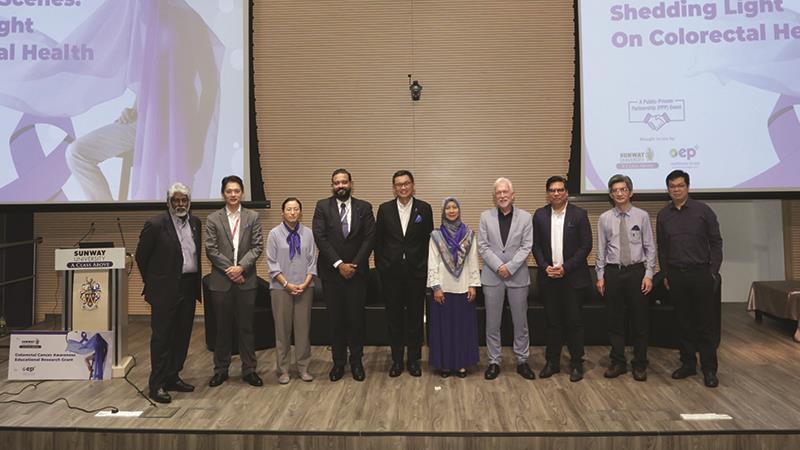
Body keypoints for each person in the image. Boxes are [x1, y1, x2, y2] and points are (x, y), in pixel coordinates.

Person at [135, 182, 201, 403]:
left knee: (182, 335)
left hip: (189, 286)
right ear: (168, 202)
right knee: (162, 337)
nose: (180, 204)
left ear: (189, 202)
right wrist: (155, 283)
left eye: (184, 200)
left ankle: (173, 376)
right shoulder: (155, 225)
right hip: (165, 290)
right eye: (176, 200)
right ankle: (157, 384)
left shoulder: (195, 223)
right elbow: (141, 257)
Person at [657, 170, 723, 388]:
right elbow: (663, 248)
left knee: (705, 323)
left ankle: (709, 369)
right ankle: (687, 364)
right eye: (672, 186)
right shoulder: (663, 215)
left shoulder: (703, 211)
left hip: (700, 274)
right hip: (676, 275)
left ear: (688, 187)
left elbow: (716, 242)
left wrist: (712, 272)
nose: (676, 189)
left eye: (680, 185)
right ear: (668, 189)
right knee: (682, 322)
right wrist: (666, 273)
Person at [312, 169, 375, 382]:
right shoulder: (322, 207)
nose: (341, 186)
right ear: (332, 185)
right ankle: (338, 363)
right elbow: (320, 237)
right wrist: (339, 264)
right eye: (337, 183)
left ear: (351, 184)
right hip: (332, 274)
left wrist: (354, 264)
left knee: (356, 320)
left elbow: (369, 238)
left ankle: (356, 362)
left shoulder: (364, 207)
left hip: (357, 274)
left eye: (344, 182)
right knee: (336, 320)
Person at [595, 174, 656, 382]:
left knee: (640, 320)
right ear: (611, 195)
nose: (619, 193)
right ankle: (618, 361)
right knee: (615, 321)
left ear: (630, 192)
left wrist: (649, 275)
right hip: (613, 272)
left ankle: (640, 363)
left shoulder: (642, 216)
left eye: (623, 189)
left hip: (636, 272)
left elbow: (650, 247)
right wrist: (600, 276)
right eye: (615, 190)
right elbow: (601, 250)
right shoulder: (604, 218)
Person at [205, 175, 264, 388]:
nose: (233, 195)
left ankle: (249, 370)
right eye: (229, 191)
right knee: (222, 328)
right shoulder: (213, 219)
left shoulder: (253, 217)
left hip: (246, 280)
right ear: (223, 194)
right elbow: (211, 248)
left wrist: (241, 268)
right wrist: (230, 270)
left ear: (242, 193)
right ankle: (221, 370)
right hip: (221, 281)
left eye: (236, 191)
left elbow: (257, 246)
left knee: (246, 328)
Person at [532, 176, 592, 382]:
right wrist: (545, 267)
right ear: (547, 193)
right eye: (552, 190)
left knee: (574, 322)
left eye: (560, 190)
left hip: (572, 278)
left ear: (566, 192)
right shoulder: (539, 215)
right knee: (553, 323)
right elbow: (536, 246)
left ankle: (576, 363)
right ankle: (552, 362)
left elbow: (586, 246)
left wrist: (565, 268)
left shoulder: (580, 214)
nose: (556, 193)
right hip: (549, 278)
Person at [374, 170, 434, 377]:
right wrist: (382, 267)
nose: (403, 187)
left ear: (413, 185)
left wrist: (425, 266)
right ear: (394, 188)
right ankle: (397, 360)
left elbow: (429, 242)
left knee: (416, 318)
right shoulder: (384, 209)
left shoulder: (424, 209)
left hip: (416, 273)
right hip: (391, 274)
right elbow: (378, 242)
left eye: (406, 183)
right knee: (394, 318)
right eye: (398, 184)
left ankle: (414, 360)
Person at [478, 178, 535, 380]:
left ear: (513, 195)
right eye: (498, 193)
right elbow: (482, 246)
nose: (502, 196)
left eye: (505, 192)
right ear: (494, 196)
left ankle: (522, 360)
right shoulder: (485, 217)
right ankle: (494, 361)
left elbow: (526, 246)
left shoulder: (526, 218)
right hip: (492, 277)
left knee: (520, 322)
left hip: (517, 276)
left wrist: (509, 267)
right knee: (492, 323)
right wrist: (499, 266)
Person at [427, 197, 481, 378]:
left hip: (464, 287)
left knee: (461, 328)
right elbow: (432, 262)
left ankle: (461, 364)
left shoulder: (469, 234)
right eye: (448, 208)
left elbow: (473, 261)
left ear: (459, 210)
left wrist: (473, 285)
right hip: (443, 288)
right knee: (444, 328)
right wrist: (436, 287)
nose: (451, 211)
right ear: (443, 211)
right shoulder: (436, 236)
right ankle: (445, 364)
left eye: (454, 207)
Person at [266, 197, 317, 384]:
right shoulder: (274, 234)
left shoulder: (308, 234)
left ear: (300, 212)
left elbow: (312, 261)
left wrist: (305, 283)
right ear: (283, 212)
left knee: (303, 330)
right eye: (289, 209)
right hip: (280, 289)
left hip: (305, 287)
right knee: (282, 330)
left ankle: (303, 367)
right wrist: (287, 284)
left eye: (296, 209)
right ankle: (283, 369)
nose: (293, 212)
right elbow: (272, 263)